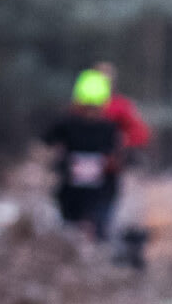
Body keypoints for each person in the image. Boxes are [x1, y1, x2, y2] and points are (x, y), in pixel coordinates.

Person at [41, 68, 145, 239]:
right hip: (93, 193)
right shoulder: (108, 127)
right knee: (93, 232)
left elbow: (45, 144)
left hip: (81, 192)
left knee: (76, 231)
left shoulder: (67, 124)